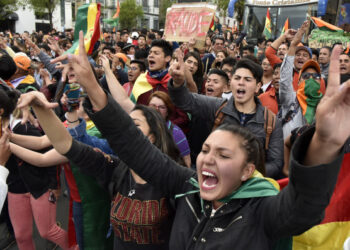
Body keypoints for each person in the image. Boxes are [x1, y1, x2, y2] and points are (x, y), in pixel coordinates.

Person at [37, 33, 350, 249]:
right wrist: (93, 84)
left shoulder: (263, 210)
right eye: (206, 150)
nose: (208, 160)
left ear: (247, 171)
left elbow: (305, 207)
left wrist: (324, 143)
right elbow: (134, 144)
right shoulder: (187, 186)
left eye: (224, 155)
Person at [17, 91, 185, 250]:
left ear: (153, 136)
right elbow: (66, 145)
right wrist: (39, 106)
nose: (125, 133)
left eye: (133, 127)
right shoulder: (116, 169)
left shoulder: (175, 179)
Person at [169, 57, 284, 179]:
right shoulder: (217, 107)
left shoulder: (271, 121)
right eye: (237, 78)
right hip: (215, 180)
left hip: (250, 189)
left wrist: (247, 174)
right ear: (231, 83)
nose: (241, 82)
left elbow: (276, 163)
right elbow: (184, 101)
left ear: (257, 87)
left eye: (247, 79)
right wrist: (178, 82)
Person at [148, 91, 191, 167]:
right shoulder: (141, 127)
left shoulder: (176, 133)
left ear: (168, 111)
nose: (156, 109)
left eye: (162, 107)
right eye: (153, 106)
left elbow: (187, 162)